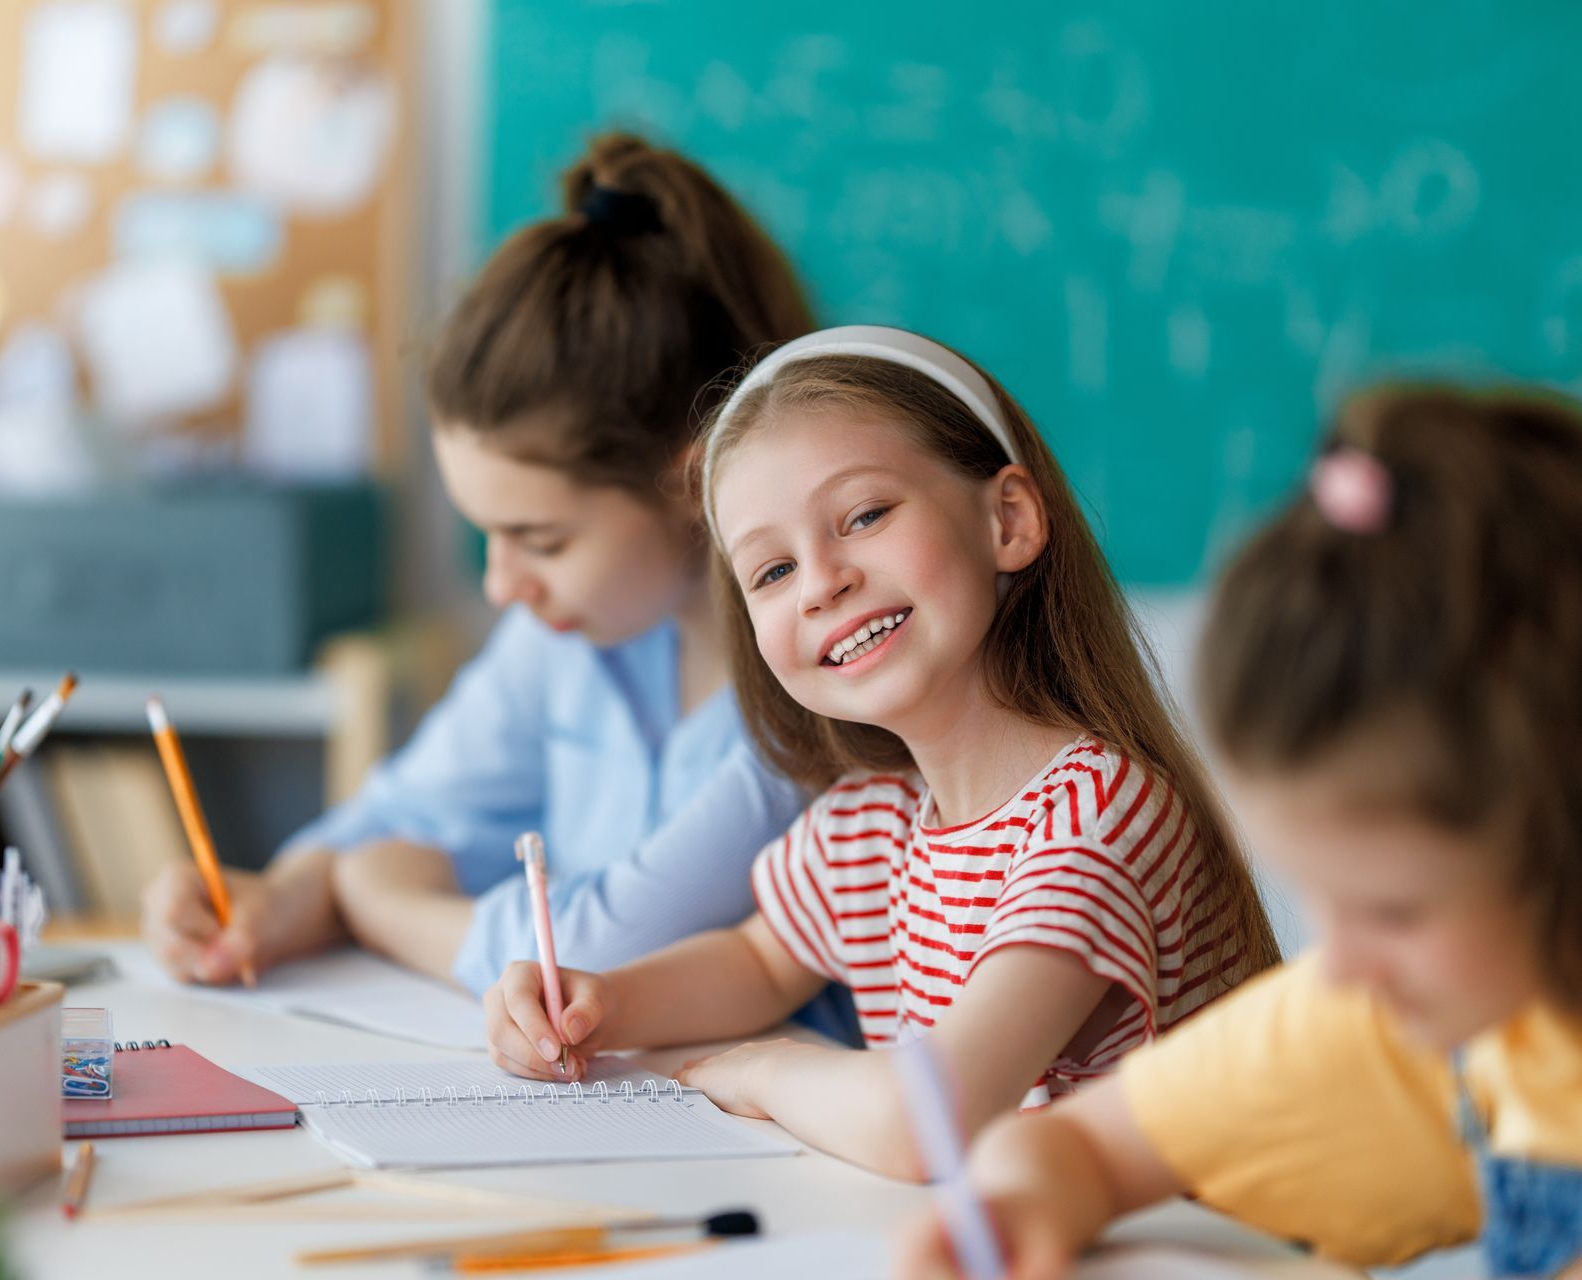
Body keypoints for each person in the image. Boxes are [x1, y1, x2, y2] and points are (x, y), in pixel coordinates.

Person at [483, 326, 1278, 1177]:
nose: (823, 581)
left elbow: (931, 1119)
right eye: (774, 571)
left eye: (864, 516)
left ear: (1007, 519)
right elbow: (757, 960)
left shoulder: (1100, 814)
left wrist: (761, 1067)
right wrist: (597, 1003)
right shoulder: (875, 820)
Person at [895, 386, 1582, 1279]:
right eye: (1320, 900)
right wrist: (1013, 1207)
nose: (1339, 964)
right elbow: (1080, 1149)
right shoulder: (1448, 1023)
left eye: (1396, 910)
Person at [142, 133, 829, 1003]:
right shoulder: (568, 637)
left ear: (696, 482)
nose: (502, 585)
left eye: (541, 540)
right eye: (487, 537)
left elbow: (598, 957)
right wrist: (285, 896)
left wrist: (378, 900)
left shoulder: (821, 682)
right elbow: (401, 815)